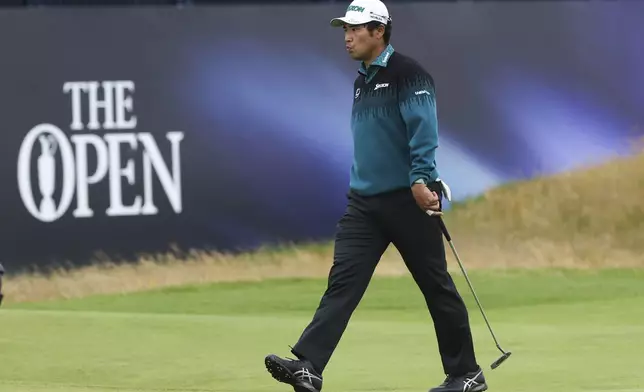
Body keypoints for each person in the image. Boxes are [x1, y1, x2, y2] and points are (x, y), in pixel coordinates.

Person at [264, 1, 487, 391]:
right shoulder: (361, 81)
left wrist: (421, 179)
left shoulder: (408, 74)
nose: (347, 36)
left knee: (436, 286)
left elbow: (424, 133)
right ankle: (309, 366)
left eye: (356, 28)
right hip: (364, 205)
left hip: (408, 200)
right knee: (343, 282)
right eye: (345, 29)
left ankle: (466, 374)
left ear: (379, 31)